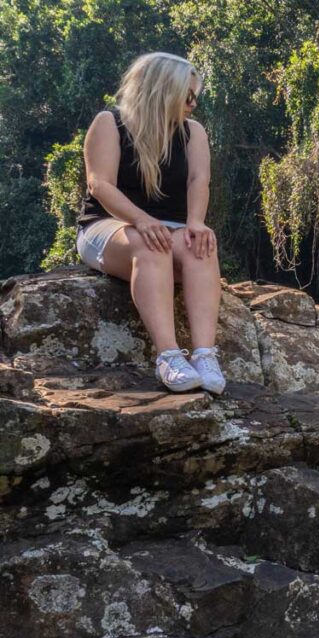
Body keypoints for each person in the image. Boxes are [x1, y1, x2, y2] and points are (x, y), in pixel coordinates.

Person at [77, 52, 225, 394]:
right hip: (107, 225)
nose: (192, 104)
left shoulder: (194, 133)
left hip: (168, 227)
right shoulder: (109, 123)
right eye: (186, 96)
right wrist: (141, 220)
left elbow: (198, 182)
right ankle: (169, 357)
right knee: (150, 245)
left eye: (195, 97)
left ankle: (205, 355)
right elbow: (99, 184)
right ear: (163, 90)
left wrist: (195, 222)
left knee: (200, 244)